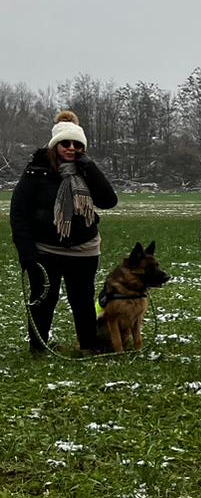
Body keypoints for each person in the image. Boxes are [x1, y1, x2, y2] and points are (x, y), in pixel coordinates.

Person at [9, 110, 119, 354]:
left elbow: (109, 200)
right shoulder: (35, 172)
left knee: (82, 300)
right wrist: (26, 253)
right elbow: (19, 213)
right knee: (43, 299)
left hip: (84, 248)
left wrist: (90, 167)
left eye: (77, 144)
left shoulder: (85, 171)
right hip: (45, 248)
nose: (71, 148)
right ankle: (39, 347)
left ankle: (88, 345)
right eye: (66, 143)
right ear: (55, 145)